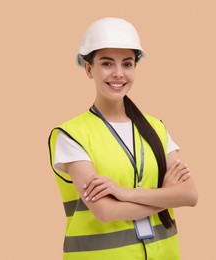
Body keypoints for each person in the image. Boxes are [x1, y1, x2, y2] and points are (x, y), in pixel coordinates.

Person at [48, 17, 198, 260]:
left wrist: (124, 193)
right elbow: (105, 210)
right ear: (89, 68)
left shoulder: (156, 128)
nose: (118, 74)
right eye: (107, 64)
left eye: (127, 64)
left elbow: (190, 195)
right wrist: (167, 194)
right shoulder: (71, 135)